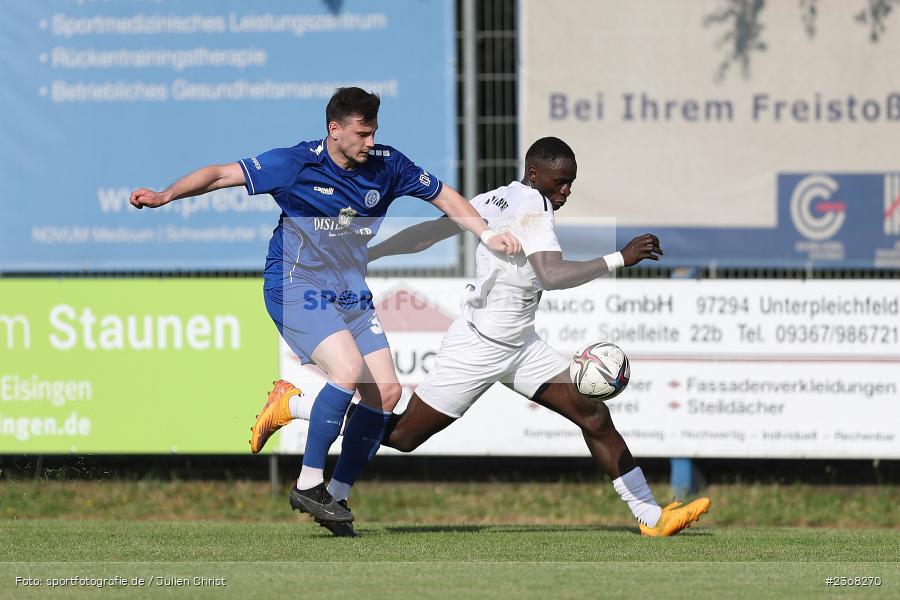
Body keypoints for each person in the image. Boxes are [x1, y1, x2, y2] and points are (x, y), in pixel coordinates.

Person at [256, 136, 710, 536]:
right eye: (559, 181)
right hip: (478, 347)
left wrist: (369, 253)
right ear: (534, 173)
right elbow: (549, 275)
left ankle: (651, 515)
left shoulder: (495, 200)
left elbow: (428, 235)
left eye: (571, 181)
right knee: (402, 438)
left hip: (522, 345)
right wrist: (619, 259)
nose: (566, 190)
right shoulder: (533, 211)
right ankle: (292, 404)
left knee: (593, 417)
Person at [129, 87, 520, 537]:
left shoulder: (388, 164)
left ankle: (334, 494)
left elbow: (445, 196)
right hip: (294, 286)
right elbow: (220, 175)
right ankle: (307, 482)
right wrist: (165, 196)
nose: (370, 141)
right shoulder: (298, 163)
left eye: (373, 132)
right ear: (335, 130)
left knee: (386, 395)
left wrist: (486, 234)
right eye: (361, 133)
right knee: (348, 370)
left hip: (350, 291)